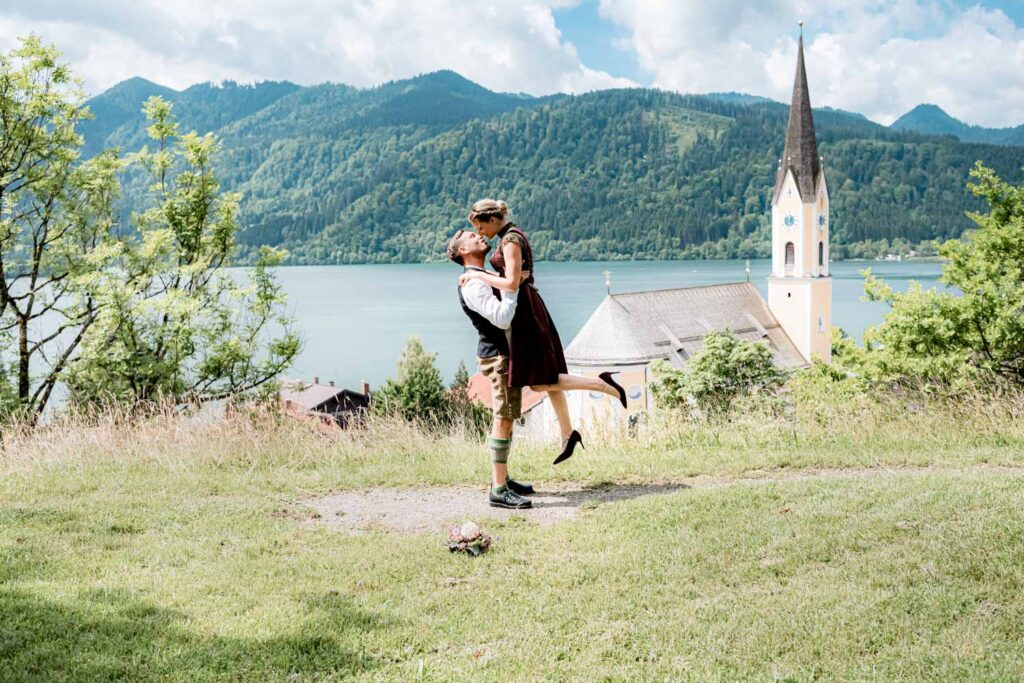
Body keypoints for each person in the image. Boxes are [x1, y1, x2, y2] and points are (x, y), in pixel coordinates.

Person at [458, 198, 626, 464]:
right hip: (526, 308)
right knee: (548, 376)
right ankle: (567, 432)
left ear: (492, 220)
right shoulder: (510, 237)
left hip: (526, 312)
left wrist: (478, 275)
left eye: (480, 227)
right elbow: (513, 280)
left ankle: (600, 384)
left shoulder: (511, 240)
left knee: (540, 380)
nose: (480, 233)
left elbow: (511, 283)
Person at [447, 228, 533, 509]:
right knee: (503, 418)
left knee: (507, 417)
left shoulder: (481, 278)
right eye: (471, 236)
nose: (479, 236)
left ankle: (504, 479)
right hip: (497, 356)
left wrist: (508, 282)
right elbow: (502, 318)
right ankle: (498, 489)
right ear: (463, 251)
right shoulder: (472, 284)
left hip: (502, 354)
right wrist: (512, 288)